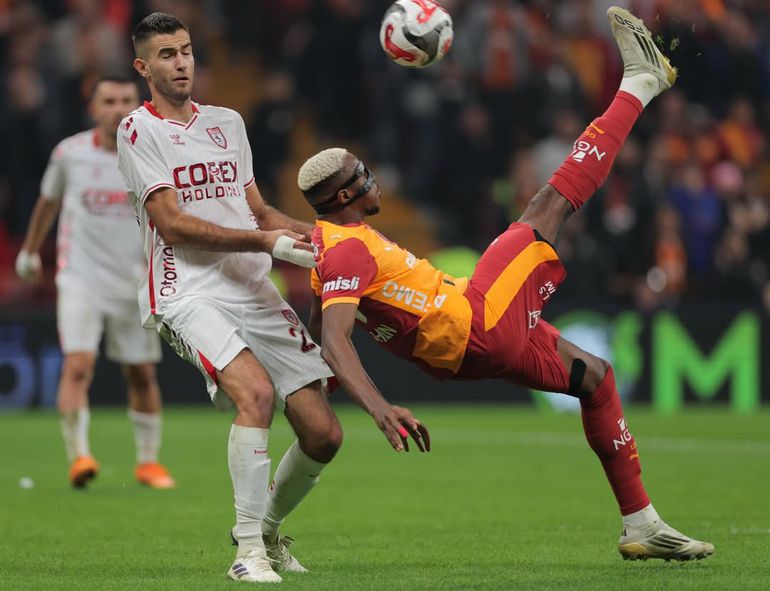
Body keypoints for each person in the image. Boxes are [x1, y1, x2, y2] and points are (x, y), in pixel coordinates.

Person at [299, 7, 714, 562]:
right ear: (345, 197)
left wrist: (317, 377)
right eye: (362, 176)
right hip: (474, 321)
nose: (373, 179)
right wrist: (376, 405)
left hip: (466, 349)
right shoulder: (348, 249)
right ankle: (641, 82)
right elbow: (335, 337)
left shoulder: (329, 250)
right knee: (548, 204)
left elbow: (321, 324)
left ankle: (641, 524)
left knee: (596, 379)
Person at [117, 12, 428, 584]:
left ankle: (269, 532)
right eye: (166, 54)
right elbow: (174, 225)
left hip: (250, 286)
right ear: (144, 67)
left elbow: (259, 212)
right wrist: (266, 241)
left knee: (323, 434)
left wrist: (318, 242)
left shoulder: (228, 123)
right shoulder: (139, 131)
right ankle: (246, 553)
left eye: (185, 51)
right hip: (186, 290)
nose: (181, 62)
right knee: (255, 395)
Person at [15, 75, 175, 490]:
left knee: (140, 373)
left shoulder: (152, 155)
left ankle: (148, 462)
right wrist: (30, 250)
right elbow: (48, 202)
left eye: (125, 99)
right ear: (93, 108)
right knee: (78, 364)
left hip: (135, 281)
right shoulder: (70, 154)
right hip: (80, 278)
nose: (117, 107)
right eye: (108, 100)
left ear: (136, 105)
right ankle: (79, 456)